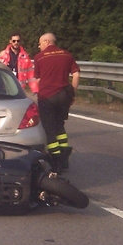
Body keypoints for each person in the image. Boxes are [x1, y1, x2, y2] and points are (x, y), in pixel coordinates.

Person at [34, 33, 81, 173]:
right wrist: (72, 93)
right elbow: (77, 74)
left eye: (40, 43)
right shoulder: (67, 55)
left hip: (47, 97)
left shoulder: (39, 57)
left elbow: (37, 79)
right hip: (63, 96)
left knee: (50, 130)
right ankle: (64, 158)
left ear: (46, 42)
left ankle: (56, 162)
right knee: (60, 126)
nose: (39, 46)